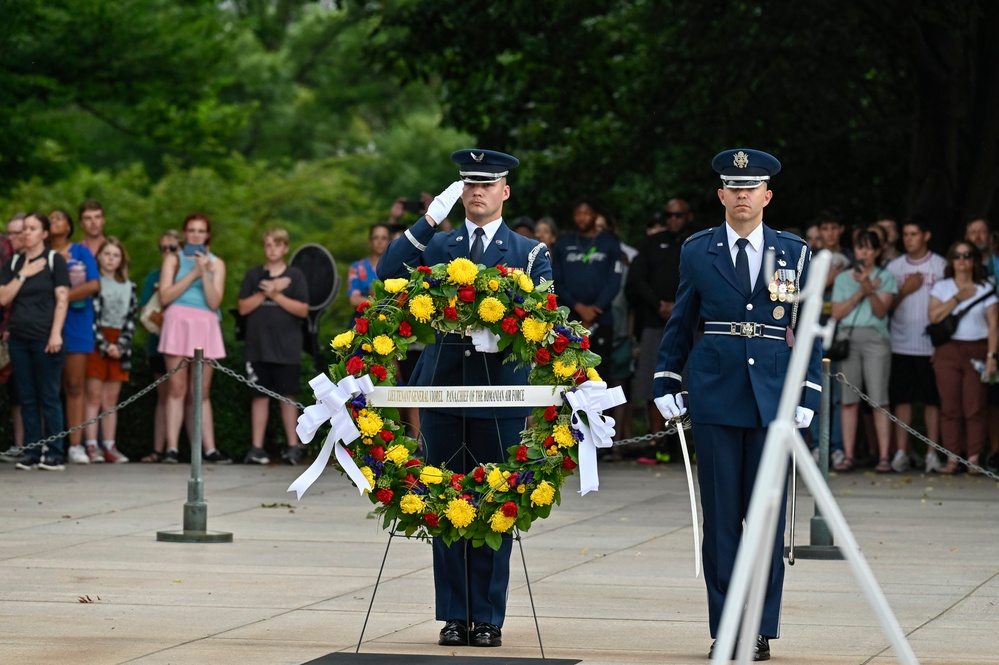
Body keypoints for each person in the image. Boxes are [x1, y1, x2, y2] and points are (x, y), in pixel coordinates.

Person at [377, 149, 552, 649]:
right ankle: (454, 613)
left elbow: (545, 317)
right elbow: (389, 269)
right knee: (446, 500)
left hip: (501, 392)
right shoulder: (440, 244)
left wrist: (504, 330)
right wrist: (428, 219)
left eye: (487, 183)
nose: (477, 191)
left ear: (505, 191)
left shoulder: (529, 252)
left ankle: (489, 616)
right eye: (468, 184)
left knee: (497, 504)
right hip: (445, 388)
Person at [652, 148, 822, 661]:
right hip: (714, 392)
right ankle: (726, 627)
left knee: (766, 520)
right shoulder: (697, 250)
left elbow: (808, 330)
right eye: (734, 187)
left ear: (767, 195)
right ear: (721, 194)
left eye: (752, 188)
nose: (743, 195)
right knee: (722, 519)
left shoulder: (793, 251)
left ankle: (761, 626)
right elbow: (682, 320)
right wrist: (665, 378)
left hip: (772, 397)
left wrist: (808, 389)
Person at [0, 213, 71, 470]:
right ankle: (32, 450)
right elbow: (3, 297)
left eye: (32, 228)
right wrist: (23, 274)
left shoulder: (55, 261)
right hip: (19, 337)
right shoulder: (14, 262)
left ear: (44, 233)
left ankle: (54, 451)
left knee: (49, 395)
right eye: (24, 229)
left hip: (45, 336)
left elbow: (62, 299)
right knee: (27, 397)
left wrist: (56, 333)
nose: (25, 233)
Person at [158, 213, 230, 464]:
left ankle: (208, 449)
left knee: (201, 391)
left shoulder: (217, 263)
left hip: (205, 323)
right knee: (176, 388)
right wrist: (193, 273)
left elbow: (214, 301)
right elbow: (165, 297)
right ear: (185, 233)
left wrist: (206, 274)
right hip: (178, 321)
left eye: (201, 231)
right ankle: (172, 448)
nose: (196, 235)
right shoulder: (173, 259)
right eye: (191, 230)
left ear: (207, 235)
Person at [237, 228, 309, 465]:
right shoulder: (253, 276)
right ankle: (256, 447)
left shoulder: (296, 276)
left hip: (287, 347)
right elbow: (243, 308)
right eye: (268, 245)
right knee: (259, 396)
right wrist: (265, 290)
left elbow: (303, 310)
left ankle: (293, 446)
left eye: (277, 245)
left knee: (288, 396)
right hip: (257, 347)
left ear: (285, 248)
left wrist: (277, 295)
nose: (272, 250)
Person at [928, 241, 998, 474]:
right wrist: (958, 298)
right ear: (951, 261)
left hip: (977, 350)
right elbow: (934, 317)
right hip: (948, 351)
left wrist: (992, 355)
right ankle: (952, 458)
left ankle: (974, 458)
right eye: (957, 256)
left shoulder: (986, 286)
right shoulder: (943, 287)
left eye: (967, 255)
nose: (962, 260)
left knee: (974, 406)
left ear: (975, 260)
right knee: (950, 407)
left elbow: (994, 325)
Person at [831, 230, 897, 472]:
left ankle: (883, 456)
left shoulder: (886, 276)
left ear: (878, 252)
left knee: (879, 399)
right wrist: (863, 290)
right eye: (860, 248)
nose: (864, 253)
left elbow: (881, 312)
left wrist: (870, 289)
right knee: (849, 400)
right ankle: (848, 455)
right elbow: (837, 313)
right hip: (848, 339)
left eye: (869, 248)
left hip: (876, 339)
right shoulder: (843, 279)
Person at [628, 199, 693, 446]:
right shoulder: (651, 243)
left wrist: (681, 308)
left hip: (691, 323)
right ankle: (658, 445)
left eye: (679, 215)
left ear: (688, 216)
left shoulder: (697, 243)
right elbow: (638, 280)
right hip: (656, 323)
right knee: (653, 383)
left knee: (692, 384)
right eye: (669, 215)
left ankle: (692, 447)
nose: (674, 219)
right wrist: (659, 305)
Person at [885, 222, 946, 472]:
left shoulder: (940, 265)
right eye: (906, 235)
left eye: (914, 234)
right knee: (902, 400)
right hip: (900, 343)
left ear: (927, 235)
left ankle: (932, 453)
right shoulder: (894, 267)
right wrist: (905, 290)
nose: (908, 239)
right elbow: (886, 307)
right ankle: (901, 452)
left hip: (931, 346)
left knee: (933, 401)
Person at [49, 209, 100, 465]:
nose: (53, 221)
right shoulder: (40, 254)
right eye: (50, 218)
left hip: (76, 323)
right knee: (48, 386)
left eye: (59, 218)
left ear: (69, 226)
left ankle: (75, 444)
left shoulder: (81, 252)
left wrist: (61, 297)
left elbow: (93, 284)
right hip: (44, 324)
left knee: (75, 384)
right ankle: (48, 442)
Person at [551, 198, 622, 376]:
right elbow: (556, 281)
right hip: (569, 317)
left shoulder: (610, 242)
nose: (582, 218)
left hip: (601, 317)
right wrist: (579, 308)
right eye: (578, 213)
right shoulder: (563, 243)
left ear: (596, 215)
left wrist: (596, 309)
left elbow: (615, 280)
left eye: (587, 213)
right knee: (568, 371)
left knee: (601, 372)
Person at [82, 237, 136, 463]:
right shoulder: (94, 284)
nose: (111, 259)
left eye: (115, 255)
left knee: (110, 399)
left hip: (119, 344)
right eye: (107, 254)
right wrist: (104, 345)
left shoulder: (129, 286)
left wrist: (120, 346)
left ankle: (110, 445)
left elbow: (131, 320)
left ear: (121, 259)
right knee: (93, 395)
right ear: (99, 257)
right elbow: (91, 317)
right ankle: (91, 444)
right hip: (97, 342)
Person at [138, 230, 184, 463]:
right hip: (159, 341)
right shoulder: (153, 276)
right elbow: (146, 311)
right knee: (164, 396)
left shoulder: (189, 274)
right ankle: (160, 449)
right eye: (163, 248)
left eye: (172, 248)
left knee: (189, 394)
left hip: (188, 342)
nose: (167, 253)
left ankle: (191, 450)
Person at [347, 223, 391, 309]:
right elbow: (353, 299)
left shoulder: (396, 267)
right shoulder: (357, 267)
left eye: (384, 238)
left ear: (390, 241)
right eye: (375, 237)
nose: (380, 241)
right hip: (363, 318)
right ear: (370, 241)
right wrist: (378, 303)